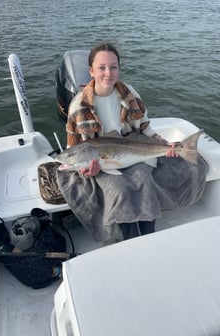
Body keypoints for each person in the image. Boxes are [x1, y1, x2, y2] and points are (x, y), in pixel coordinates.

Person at [65, 42, 177, 240]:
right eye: (101, 67)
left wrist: (165, 144)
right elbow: (73, 148)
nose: (108, 73)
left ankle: (150, 237)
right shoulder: (78, 105)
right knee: (119, 190)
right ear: (91, 71)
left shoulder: (129, 94)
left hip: (131, 148)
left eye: (113, 67)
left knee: (144, 181)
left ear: (119, 68)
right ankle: (132, 242)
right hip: (100, 159)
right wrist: (84, 169)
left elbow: (145, 127)